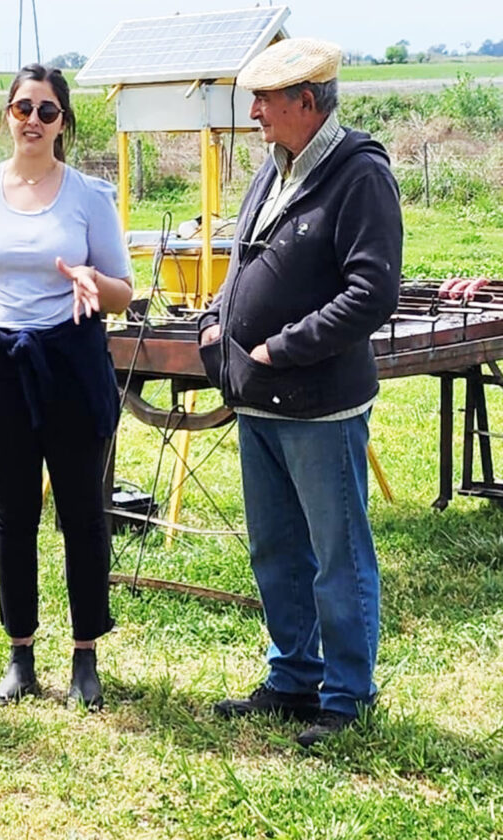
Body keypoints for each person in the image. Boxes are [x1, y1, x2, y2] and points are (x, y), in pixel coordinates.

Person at [197, 38, 402, 748]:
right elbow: (244, 261)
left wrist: (280, 348)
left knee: (337, 554)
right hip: (259, 403)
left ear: (306, 104)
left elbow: (372, 293)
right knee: (277, 552)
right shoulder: (274, 168)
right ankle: (292, 679)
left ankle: (346, 695)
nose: (253, 112)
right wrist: (214, 321)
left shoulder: (359, 173)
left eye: (265, 100)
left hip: (319, 405)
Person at [0, 64, 133, 710]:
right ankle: (20, 654)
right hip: (0, 364)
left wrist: (99, 287)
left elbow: (123, 292)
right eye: (23, 109)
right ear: (6, 116)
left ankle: (85, 659)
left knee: (80, 513)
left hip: (69, 361)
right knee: (14, 513)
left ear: (63, 122)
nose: (33, 121)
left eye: (47, 111)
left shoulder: (89, 197)